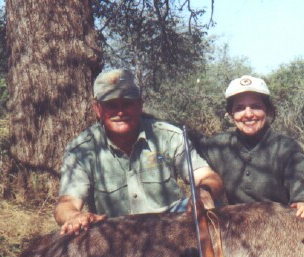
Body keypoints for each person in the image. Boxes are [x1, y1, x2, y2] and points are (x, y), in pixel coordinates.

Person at [55, 69, 224, 235]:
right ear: (97, 109)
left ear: (140, 105)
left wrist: (204, 193)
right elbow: (66, 204)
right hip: (115, 235)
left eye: (127, 103)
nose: (120, 112)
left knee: (213, 209)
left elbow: (207, 177)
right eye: (111, 105)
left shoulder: (170, 136)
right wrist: (74, 216)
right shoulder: (82, 150)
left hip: (170, 228)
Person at [197, 75, 304, 218]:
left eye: (256, 107)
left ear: (267, 110)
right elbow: (189, 147)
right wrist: (204, 191)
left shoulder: (286, 147)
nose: (248, 114)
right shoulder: (218, 145)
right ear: (231, 114)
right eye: (239, 108)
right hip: (231, 226)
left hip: (275, 224)